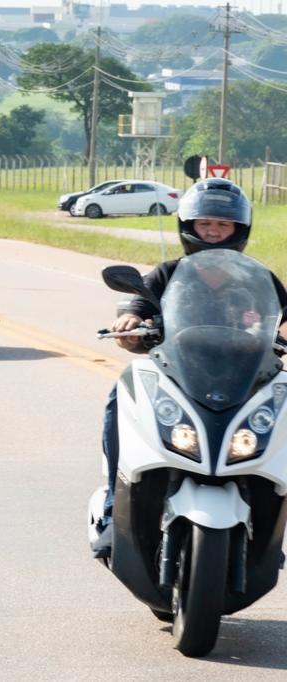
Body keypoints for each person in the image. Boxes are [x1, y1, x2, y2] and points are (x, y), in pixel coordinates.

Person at [92, 178, 287, 558]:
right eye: (205, 224)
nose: (213, 231)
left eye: (222, 225)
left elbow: (285, 311)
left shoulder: (256, 277)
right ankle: (114, 517)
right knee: (123, 393)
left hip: (244, 377)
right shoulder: (169, 273)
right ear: (189, 226)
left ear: (238, 230)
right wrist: (131, 322)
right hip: (181, 373)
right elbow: (140, 304)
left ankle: (271, 527)